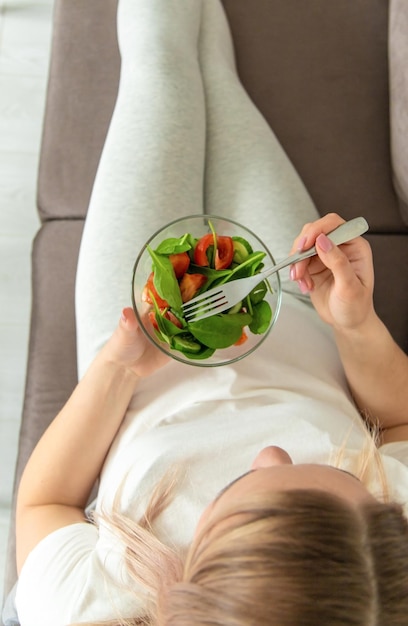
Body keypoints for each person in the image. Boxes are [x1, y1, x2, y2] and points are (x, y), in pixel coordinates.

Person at [12, 1, 408, 625]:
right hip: (295, 306)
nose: (272, 451)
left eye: (234, 489)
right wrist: (355, 324)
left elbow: (43, 504)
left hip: (145, 334)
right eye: (318, 469)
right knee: (221, 85)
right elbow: (401, 422)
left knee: (162, 68)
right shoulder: (382, 565)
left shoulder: (91, 606)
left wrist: (115, 370)